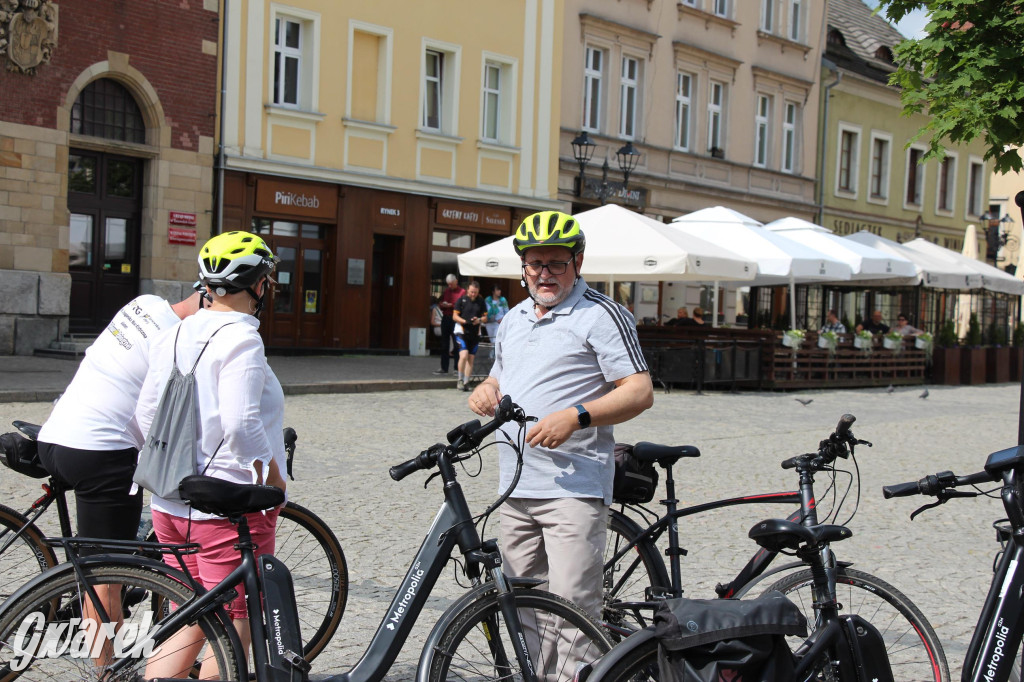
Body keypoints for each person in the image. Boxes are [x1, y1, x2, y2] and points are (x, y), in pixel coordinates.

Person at [467, 211, 654, 631]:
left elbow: (639, 391)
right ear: (524, 268)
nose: (545, 273)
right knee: (523, 615)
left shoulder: (603, 315)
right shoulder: (513, 319)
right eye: (536, 263)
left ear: (578, 262)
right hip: (515, 488)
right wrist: (487, 386)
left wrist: (576, 416)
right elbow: (503, 373)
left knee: (572, 618)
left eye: (557, 263)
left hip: (573, 492)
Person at [137, 231, 287, 679]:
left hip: (169, 501)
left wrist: (180, 463)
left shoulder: (175, 333)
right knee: (232, 625)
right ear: (260, 285)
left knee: (194, 615)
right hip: (227, 507)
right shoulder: (242, 338)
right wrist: (271, 477)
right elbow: (241, 424)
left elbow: (146, 413)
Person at [36, 288, 203, 666]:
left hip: (56, 435)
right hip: (99, 451)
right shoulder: (177, 339)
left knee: (105, 560)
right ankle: (107, 673)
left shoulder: (144, 304)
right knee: (105, 581)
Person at [453, 281, 488, 391]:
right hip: (462, 331)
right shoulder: (461, 300)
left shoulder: (481, 301)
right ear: (468, 290)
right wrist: (465, 321)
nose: (473, 294)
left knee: (470, 359)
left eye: (475, 292)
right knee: (463, 355)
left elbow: (485, 318)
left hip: (475, 333)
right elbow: (454, 316)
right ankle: (460, 379)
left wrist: (478, 320)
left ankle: (467, 381)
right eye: (472, 292)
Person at [433, 274, 465, 375]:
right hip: (446, 318)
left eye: (451, 284)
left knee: (456, 344)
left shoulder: (462, 292)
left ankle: (456, 368)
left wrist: (451, 305)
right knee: (444, 344)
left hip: (455, 319)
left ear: (456, 281)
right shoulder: (447, 291)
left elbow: (461, 306)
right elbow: (441, 302)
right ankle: (444, 368)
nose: (450, 286)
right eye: (448, 284)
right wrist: (443, 304)